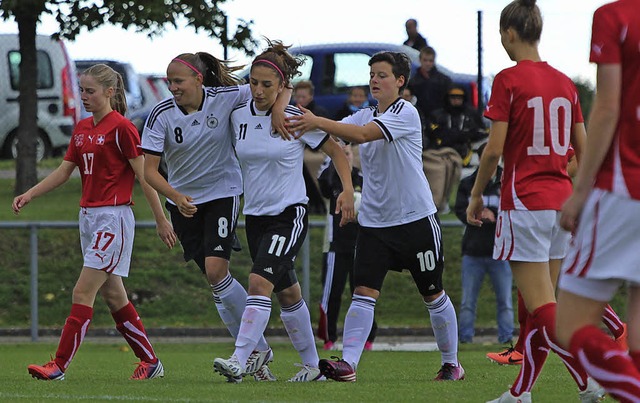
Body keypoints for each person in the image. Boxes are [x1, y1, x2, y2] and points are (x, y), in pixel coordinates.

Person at [287, 51, 464, 382]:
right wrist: (292, 116)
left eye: (382, 75)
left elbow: (363, 135)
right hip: (375, 224)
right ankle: (349, 364)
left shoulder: (405, 112)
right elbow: (338, 137)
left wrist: (315, 120)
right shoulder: (364, 114)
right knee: (363, 293)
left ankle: (452, 363)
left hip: (415, 220)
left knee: (432, 293)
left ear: (399, 81)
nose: (374, 80)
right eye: (372, 74)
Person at [465, 1, 604, 401]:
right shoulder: (565, 83)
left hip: (525, 201)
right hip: (561, 205)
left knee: (542, 308)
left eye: (501, 35)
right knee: (538, 309)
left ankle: (589, 376)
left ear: (510, 33)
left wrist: (476, 196)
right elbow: (583, 151)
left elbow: (493, 151)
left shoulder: (508, 80)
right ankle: (519, 394)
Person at [15, 63, 175, 381]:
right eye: (82, 90)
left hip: (112, 219)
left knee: (82, 291)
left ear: (109, 92)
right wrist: (30, 193)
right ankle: (151, 362)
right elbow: (64, 172)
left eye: (90, 91)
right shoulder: (83, 128)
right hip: (88, 218)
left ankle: (58, 366)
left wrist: (161, 218)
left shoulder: (123, 129)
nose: (84, 96)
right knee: (114, 296)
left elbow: (144, 178)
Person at [141, 52, 291, 382]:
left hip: (222, 194)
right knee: (217, 283)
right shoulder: (160, 115)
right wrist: (175, 197)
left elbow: (279, 87)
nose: (173, 87)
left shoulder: (225, 97)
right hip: (183, 204)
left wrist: (279, 108)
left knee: (215, 269)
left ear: (198, 79)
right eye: (169, 82)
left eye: (178, 81)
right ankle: (257, 352)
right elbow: (148, 171)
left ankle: (250, 351)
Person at [212, 39, 355, 383]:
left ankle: (243, 357)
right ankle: (312, 366)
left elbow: (337, 152)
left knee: (259, 282)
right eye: (254, 83)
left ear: (281, 86)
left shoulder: (294, 118)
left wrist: (347, 190)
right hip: (256, 217)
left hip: (290, 214)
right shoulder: (238, 116)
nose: (258, 91)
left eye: (267, 85)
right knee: (288, 293)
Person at [555, 0, 640, 400]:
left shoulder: (615, 16)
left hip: (625, 188)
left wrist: (581, 192)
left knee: (570, 324)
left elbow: (606, 108)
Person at [316, 143, 377, 351]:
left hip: (361, 245)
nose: (345, 157)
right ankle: (329, 337)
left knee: (362, 292)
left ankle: (367, 338)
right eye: (340, 153)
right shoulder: (331, 178)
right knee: (332, 292)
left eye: (348, 153)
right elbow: (322, 184)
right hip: (335, 246)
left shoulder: (362, 178)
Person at [454, 143, 513, 345]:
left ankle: (506, 340)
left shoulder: (508, 181)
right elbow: (460, 209)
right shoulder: (468, 183)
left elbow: (515, 208)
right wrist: (477, 215)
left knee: (505, 302)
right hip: (473, 251)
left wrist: (495, 215)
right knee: (468, 302)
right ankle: (465, 340)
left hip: (500, 251)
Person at [425, 85, 488, 213]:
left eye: (459, 98)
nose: (456, 100)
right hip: (440, 154)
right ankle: (438, 203)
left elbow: (482, 132)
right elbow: (433, 133)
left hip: (466, 155)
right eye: (453, 97)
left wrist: (463, 136)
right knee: (439, 168)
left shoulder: (471, 114)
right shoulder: (438, 114)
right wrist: (455, 136)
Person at [408, 46, 452, 120]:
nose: (428, 63)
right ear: (420, 60)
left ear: (434, 61)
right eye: (425, 60)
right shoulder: (412, 82)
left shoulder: (444, 80)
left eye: (430, 61)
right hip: (419, 117)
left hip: (439, 118)